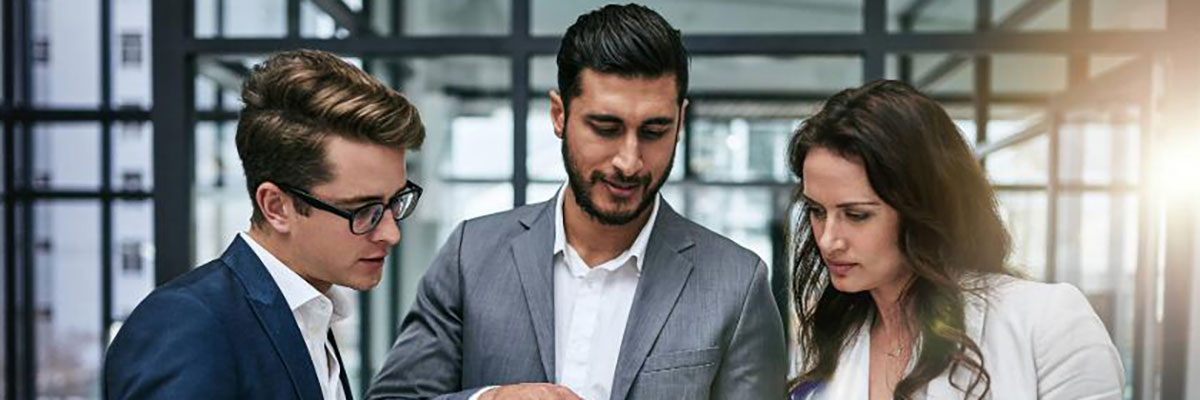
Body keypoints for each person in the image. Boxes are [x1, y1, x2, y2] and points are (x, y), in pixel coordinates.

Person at [367, 4, 786, 400]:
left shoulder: (737, 283)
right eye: (605, 127)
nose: (629, 161)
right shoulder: (471, 255)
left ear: (680, 122)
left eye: (655, 131)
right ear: (559, 115)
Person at [104, 49, 425, 400]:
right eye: (363, 210)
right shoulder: (187, 323)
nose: (392, 233)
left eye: (396, 201)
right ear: (276, 207)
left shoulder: (309, 316)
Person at [787, 80, 1124, 400]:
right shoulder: (834, 341)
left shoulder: (1048, 323)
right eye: (817, 211)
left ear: (922, 207)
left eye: (857, 215)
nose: (829, 240)